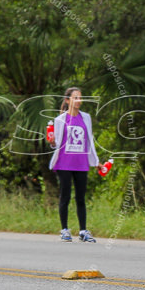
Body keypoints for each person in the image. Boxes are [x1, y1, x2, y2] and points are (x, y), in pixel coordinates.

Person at [48, 87, 105, 242]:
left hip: (81, 163)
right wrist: (52, 143)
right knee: (65, 197)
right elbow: (56, 143)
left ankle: (83, 231)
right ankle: (65, 230)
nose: (79, 101)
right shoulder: (60, 120)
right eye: (75, 98)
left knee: (81, 198)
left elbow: (89, 142)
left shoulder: (86, 117)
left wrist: (96, 162)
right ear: (68, 100)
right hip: (64, 163)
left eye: (80, 98)